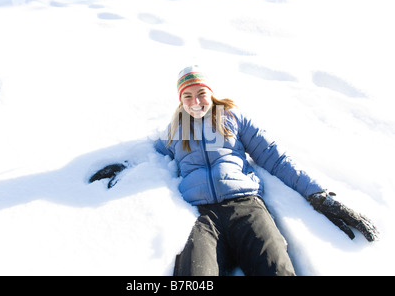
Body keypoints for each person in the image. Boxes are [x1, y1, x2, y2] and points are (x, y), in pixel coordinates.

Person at [91, 65, 379, 276]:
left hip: (247, 209)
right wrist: (123, 164)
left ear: (211, 93)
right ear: (180, 101)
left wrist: (318, 194)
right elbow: (151, 155)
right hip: (202, 217)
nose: (195, 102)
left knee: (277, 271)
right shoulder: (175, 131)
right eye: (187, 97)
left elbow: (275, 158)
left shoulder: (232, 118)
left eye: (201, 93)